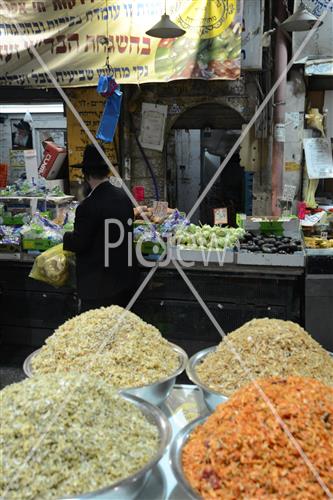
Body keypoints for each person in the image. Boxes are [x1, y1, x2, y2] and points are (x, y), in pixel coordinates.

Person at [63, 144, 136, 312]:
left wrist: (65, 237)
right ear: (107, 172)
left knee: (97, 333)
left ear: (85, 174)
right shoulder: (124, 197)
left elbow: (79, 243)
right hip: (124, 281)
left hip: (98, 287)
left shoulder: (88, 206)